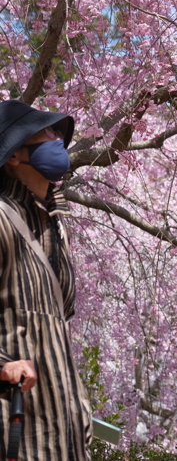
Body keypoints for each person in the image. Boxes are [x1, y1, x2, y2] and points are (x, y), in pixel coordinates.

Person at [0, 99, 92, 459]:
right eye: (45, 132)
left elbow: (60, 317)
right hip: (18, 430)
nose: (57, 138)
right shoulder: (3, 221)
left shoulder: (57, 228)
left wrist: (81, 408)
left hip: (65, 433)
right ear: (13, 156)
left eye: (58, 131)